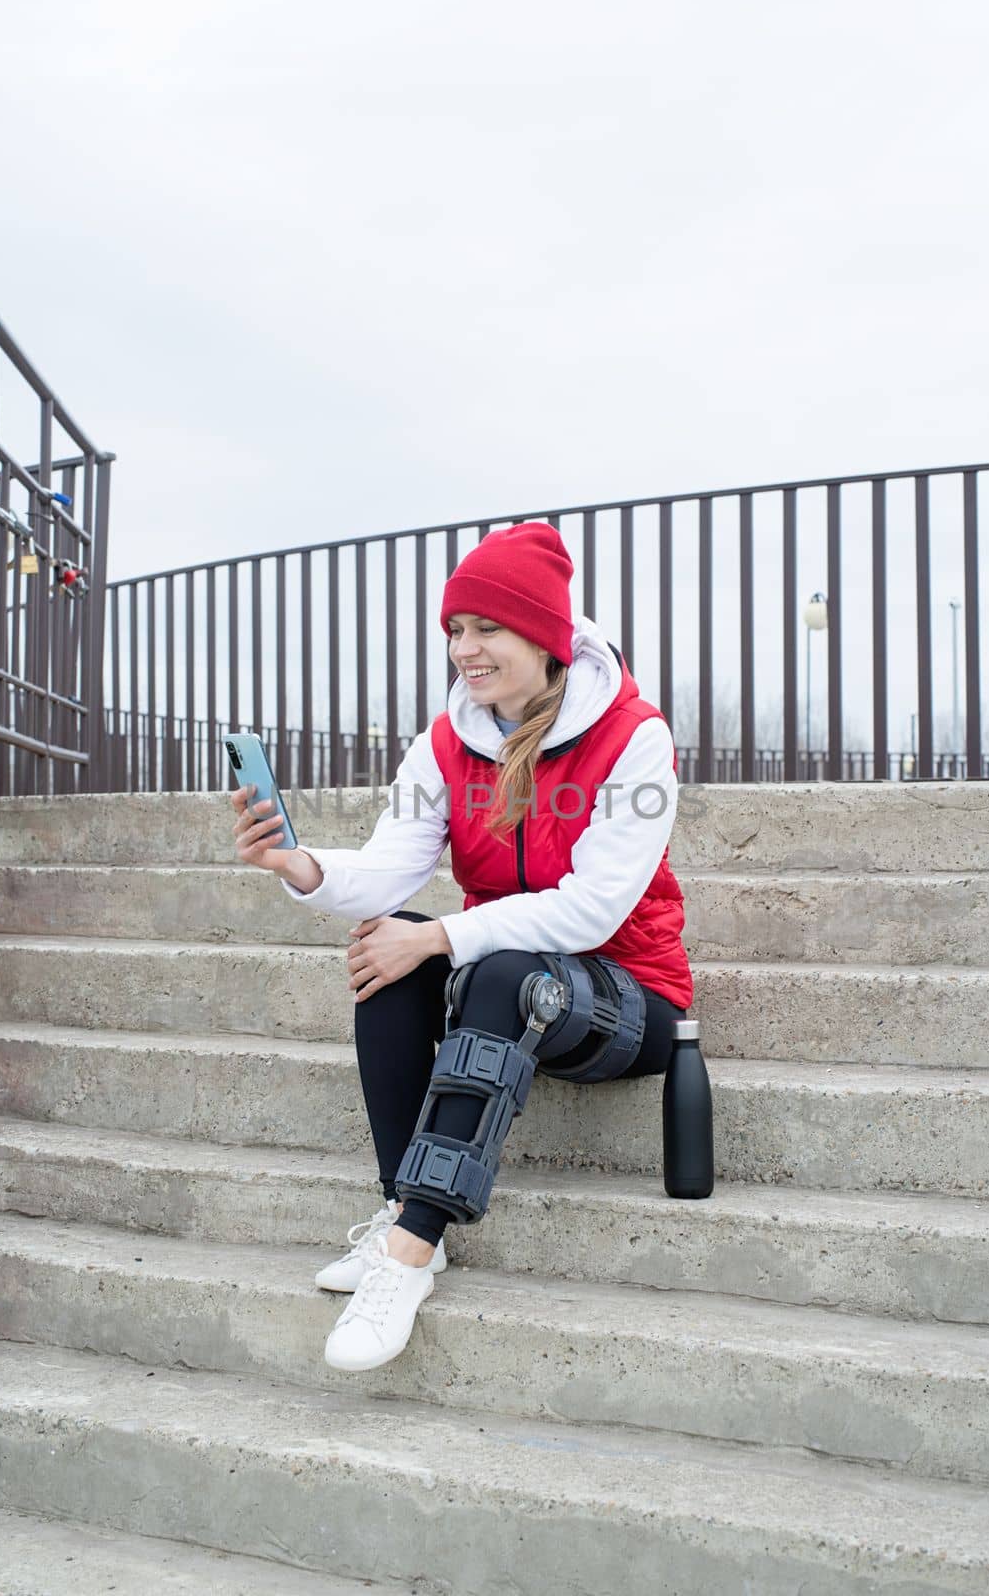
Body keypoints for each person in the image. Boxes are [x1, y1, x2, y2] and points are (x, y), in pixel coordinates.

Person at [230, 520, 693, 1373]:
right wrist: (298, 864)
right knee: (390, 950)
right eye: (454, 631)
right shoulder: (446, 741)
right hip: (506, 991)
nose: (465, 651)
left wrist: (443, 933)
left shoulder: (636, 737)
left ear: (547, 637)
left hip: (629, 998)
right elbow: (386, 872)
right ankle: (403, 1210)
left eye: (488, 629)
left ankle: (411, 1247)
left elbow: (591, 911)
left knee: (484, 961)